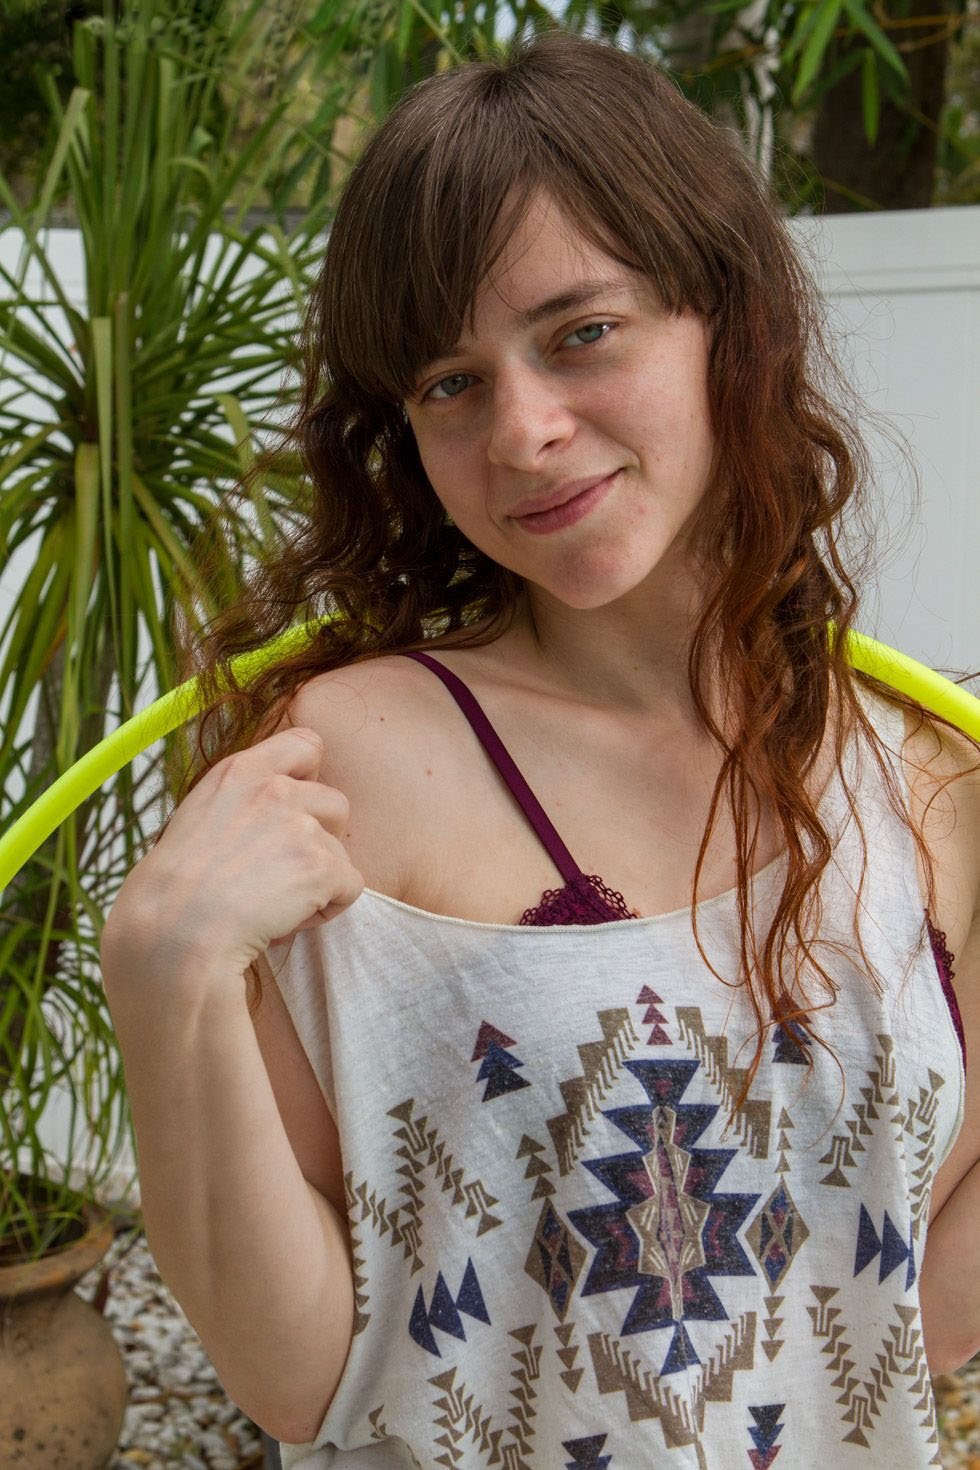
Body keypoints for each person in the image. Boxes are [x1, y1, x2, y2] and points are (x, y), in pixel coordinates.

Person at [100, 31, 979, 1470]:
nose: (524, 432)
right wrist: (163, 976)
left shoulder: (927, 782)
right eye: (449, 383)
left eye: (582, 333)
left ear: (730, 320)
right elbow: (302, 1379)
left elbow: (911, 1315)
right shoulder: (344, 765)